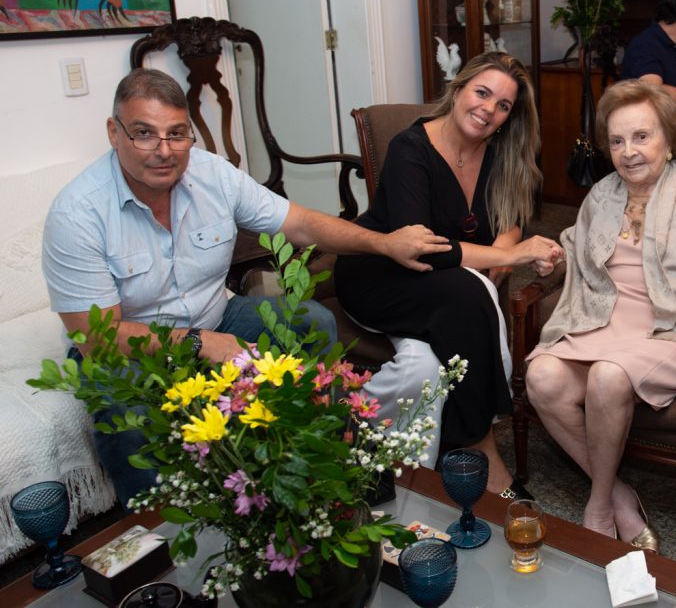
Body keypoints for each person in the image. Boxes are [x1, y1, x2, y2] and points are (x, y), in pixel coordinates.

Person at [42, 68, 453, 507]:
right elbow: (97, 338)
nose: (163, 151)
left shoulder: (211, 174)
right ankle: (155, 524)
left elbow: (300, 223)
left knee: (310, 322)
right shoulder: (78, 214)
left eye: (176, 134)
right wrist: (201, 342)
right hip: (128, 349)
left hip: (214, 317)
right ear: (114, 132)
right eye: (144, 133)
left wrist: (383, 243)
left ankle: (293, 464)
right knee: (128, 408)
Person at [524, 80, 676, 552]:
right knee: (542, 377)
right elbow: (579, 245)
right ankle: (620, 494)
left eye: (641, 136)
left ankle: (599, 506)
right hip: (604, 320)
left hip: (674, 330)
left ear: (668, 139)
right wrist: (555, 259)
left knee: (608, 375)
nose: (629, 152)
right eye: (617, 141)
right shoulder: (602, 195)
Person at [333, 52, 563, 499]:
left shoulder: (499, 153)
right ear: (458, 90)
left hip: (444, 291)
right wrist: (509, 255)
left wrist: (507, 244)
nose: (489, 109)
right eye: (482, 93)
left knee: (427, 363)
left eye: (503, 105)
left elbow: (512, 216)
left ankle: (378, 446)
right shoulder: (410, 149)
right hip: (377, 277)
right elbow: (422, 249)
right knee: (468, 289)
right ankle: (481, 449)